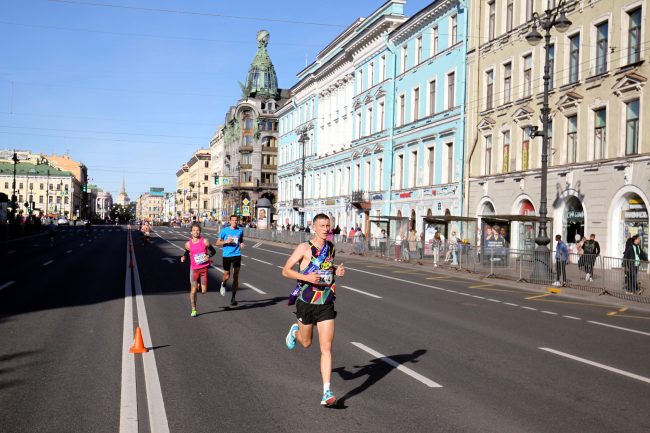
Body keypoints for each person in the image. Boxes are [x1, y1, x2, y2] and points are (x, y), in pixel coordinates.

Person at [282, 213, 345, 407]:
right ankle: (296, 330)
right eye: (322, 225)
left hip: (325, 302)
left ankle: (326, 391)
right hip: (306, 301)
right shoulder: (304, 248)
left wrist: (337, 272)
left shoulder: (331, 248)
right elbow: (285, 270)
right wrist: (307, 278)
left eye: (328, 225)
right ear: (314, 227)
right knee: (307, 343)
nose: (326, 229)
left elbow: (328, 268)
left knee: (326, 347)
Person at [180, 222, 216, 317]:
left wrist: (208, 256)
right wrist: (183, 258)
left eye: (198, 230)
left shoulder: (205, 241)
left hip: (203, 269)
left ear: (200, 232)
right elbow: (186, 253)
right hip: (194, 269)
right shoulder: (188, 244)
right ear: (191, 232)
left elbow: (213, 251)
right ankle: (193, 309)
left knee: (203, 291)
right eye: (194, 230)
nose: (196, 232)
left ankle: (199, 284)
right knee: (193, 290)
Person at [216, 215, 245, 306]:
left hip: (236, 255)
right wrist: (225, 242)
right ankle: (223, 284)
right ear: (229, 221)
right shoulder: (224, 231)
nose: (235, 222)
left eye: (236, 220)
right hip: (227, 255)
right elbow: (217, 243)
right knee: (227, 276)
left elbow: (240, 239)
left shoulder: (240, 230)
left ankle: (233, 298)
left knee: (236, 276)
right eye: (233, 220)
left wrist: (241, 243)